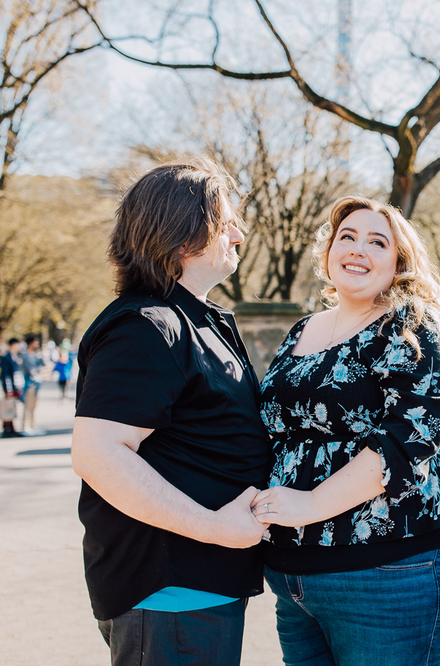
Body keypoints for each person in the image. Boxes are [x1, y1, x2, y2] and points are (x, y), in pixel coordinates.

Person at [251, 195, 440, 666]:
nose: (358, 249)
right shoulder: (302, 330)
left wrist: (311, 504)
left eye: (376, 242)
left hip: (393, 571)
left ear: (399, 262)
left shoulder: (416, 327)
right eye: (347, 237)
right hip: (295, 574)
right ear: (328, 253)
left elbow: (410, 437)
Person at [70, 160, 271, 666]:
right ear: (185, 237)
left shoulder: (195, 319)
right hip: (169, 591)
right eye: (226, 222)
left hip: (199, 585)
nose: (239, 233)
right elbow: (98, 454)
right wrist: (215, 527)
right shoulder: (146, 327)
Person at [19, 334, 46, 435]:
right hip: (29, 384)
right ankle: (25, 427)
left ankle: (32, 425)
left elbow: (43, 365)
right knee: (27, 405)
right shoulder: (24, 356)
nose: (37, 344)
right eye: (36, 342)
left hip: (37, 383)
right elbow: (28, 370)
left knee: (33, 406)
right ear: (30, 343)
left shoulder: (37, 355)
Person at [0, 338, 23, 437]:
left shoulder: (15, 356)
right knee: (7, 406)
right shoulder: (6, 357)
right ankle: (7, 429)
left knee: (12, 406)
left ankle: (12, 428)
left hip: (15, 385)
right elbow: (6, 374)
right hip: (9, 387)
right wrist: (8, 389)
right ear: (13, 345)